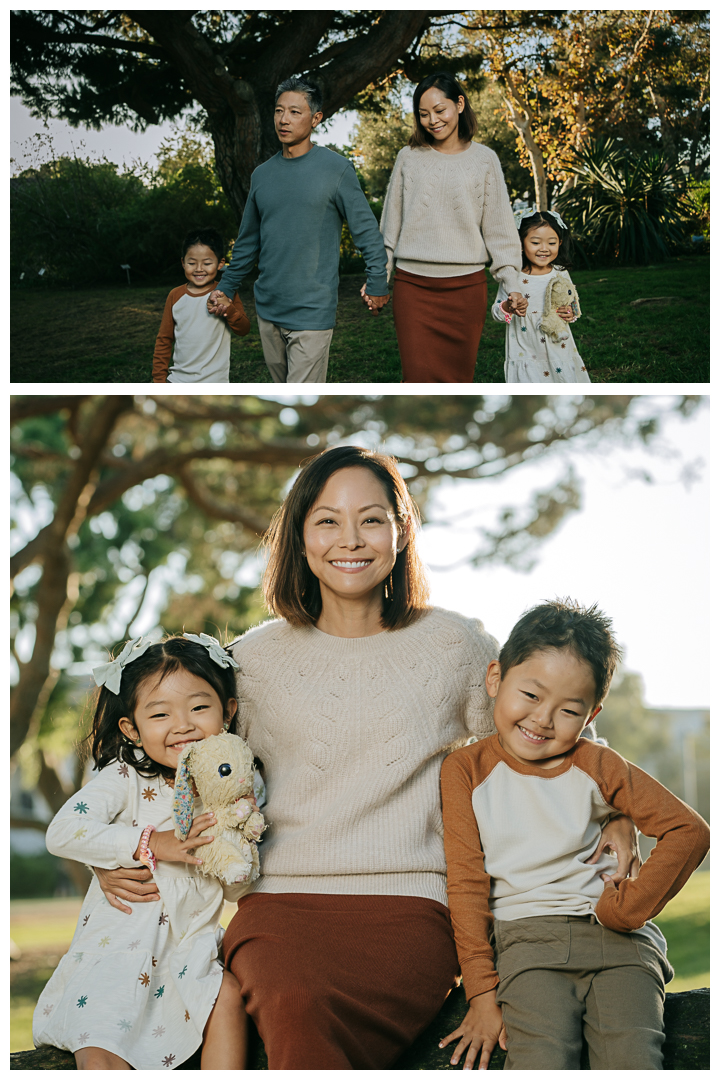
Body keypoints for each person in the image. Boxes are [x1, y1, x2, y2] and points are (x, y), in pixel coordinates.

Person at [90, 447, 640, 1070]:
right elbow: (174, 771)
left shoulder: (455, 644)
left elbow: (542, 724)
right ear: (299, 537)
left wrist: (614, 806)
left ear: (401, 533)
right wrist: (120, 854)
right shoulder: (250, 661)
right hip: (280, 903)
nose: (349, 539)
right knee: (293, 996)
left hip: (414, 906)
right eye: (327, 520)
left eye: (372, 519)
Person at [440, 600, 710, 1071]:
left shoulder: (599, 765)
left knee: (634, 1062)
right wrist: (482, 990)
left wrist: (631, 908)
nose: (543, 719)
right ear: (495, 679)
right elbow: (465, 882)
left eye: (568, 709)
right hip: (528, 948)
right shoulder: (466, 770)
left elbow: (688, 830)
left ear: (591, 714)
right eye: (530, 695)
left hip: (621, 948)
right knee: (537, 1063)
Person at [32, 634, 255, 1070]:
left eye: (199, 707)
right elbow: (62, 831)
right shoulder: (126, 778)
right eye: (159, 714)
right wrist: (152, 843)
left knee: (226, 999)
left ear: (227, 711)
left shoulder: (230, 790)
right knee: (100, 1039)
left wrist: (236, 855)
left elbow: (237, 885)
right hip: (118, 947)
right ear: (131, 728)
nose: (184, 724)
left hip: (187, 952)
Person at [206, 77, 389, 383]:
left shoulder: (337, 169)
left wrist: (377, 283)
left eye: (294, 112)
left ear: (316, 118)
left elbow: (367, 232)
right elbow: (248, 241)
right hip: (267, 308)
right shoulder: (262, 175)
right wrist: (226, 286)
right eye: (279, 111)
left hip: (312, 311)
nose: (283, 120)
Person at [379, 72, 528, 382]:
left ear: (459, 104)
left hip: (466, 291)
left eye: (439, 110)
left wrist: (512, 282)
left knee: (459, 383)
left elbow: (499, 231)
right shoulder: (408, 158)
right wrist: (380, 274)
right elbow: (390, 226)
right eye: (423, 114)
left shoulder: (485, 160)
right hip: (413, 290)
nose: (432, 120)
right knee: (417, 380)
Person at [492, 209, 591, 382]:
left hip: (558, 345)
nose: (544, 249)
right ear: (520, 244)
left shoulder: (561, 273)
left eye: (551, 243)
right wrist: (508, 307)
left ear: (559, 243)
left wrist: (570, 313)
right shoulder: (512, 277)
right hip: (525, 347)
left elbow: (572, 302)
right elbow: (497, 312)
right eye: (536, 242)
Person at [152, 228, 250, 383]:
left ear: (220, 263)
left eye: (207, 263)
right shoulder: (175, 296)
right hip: (177, 380)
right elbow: (164, 339)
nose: (199, 269)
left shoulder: (226, 293)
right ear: (183, 263)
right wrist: (158, 380)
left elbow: (244, 329)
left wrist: (228, 309)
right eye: (192, 263)